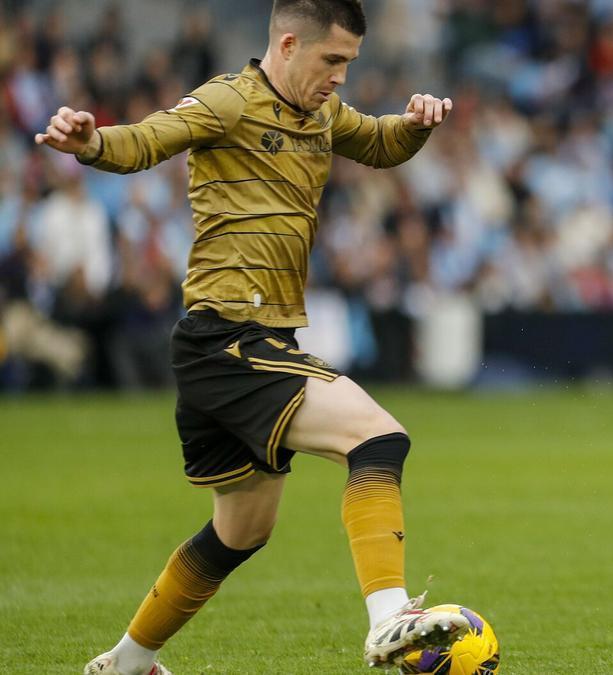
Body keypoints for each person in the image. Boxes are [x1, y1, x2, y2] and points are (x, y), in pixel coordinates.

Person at [35, 1, 466, 672]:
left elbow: (380, 144)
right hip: (228, 338)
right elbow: (147, 139)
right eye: (332, 61)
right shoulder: (229, 101)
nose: (341, 79)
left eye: (349, 64)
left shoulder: (320, 112)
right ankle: (391, 617)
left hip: (245, 344)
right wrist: (91, 142)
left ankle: (125, 662)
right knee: (377, 436)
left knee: (241, 530)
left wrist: (414, 124)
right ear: (289, 44)